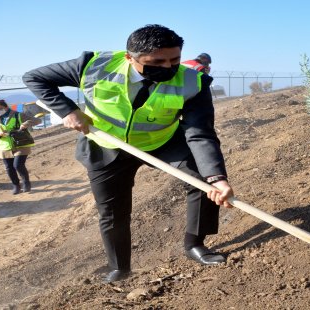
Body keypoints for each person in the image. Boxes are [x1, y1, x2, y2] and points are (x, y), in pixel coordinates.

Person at [22, 24, 234, 283]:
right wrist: (67, 110)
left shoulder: (194, 82)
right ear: (129, 57)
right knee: (112, 210)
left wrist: (216, 178)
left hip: (162, 141)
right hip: (105, 146)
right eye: (157, 61)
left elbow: (200, 133)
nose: (168, 68)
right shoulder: (94, 66)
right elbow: (35, 77)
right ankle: (120, 267)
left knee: (202, 183)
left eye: (174, 60)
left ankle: (194, 244)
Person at [0, 100, 42, 195]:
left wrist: (26, 124)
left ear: (6, 107)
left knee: (18, 165)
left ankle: (26, 183)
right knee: (9, 168)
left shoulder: (18, 115)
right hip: (4, 146)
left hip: (20, 143)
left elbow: (37, 120)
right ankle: (16, 185)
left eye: (0, 108)